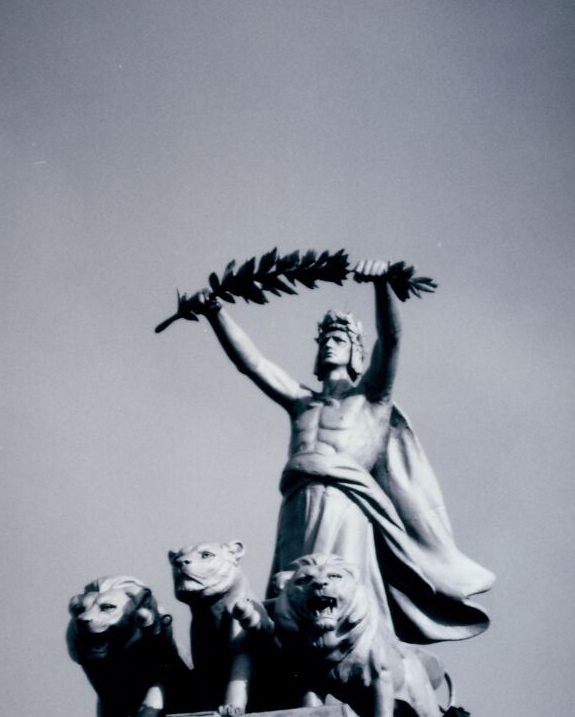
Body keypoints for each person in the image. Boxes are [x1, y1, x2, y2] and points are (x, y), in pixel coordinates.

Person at [198, 259, 493, 645]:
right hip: (297, 499)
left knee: (338, 578)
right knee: (292, 580)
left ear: (356, 351)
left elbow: (391, 340)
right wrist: (215, 313)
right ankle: (289, 660)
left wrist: (381, 286)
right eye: (324, 341)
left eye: (338, 339)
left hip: (346, 500)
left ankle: (352, 652)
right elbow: (253, 364)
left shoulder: (371, 398)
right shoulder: (301, 401)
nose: (328, 345)